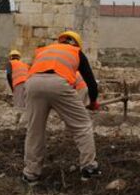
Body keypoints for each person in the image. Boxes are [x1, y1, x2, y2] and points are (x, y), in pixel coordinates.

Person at [21, 31, 100, 185]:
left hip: (32, 84)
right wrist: (93, 102)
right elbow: (91, 83)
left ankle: (31, 173)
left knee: (34, 130)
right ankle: (89, 168)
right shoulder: (76, 52)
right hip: (58, 83)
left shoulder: (43, 50)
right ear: (76, 44)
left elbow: (35, 70)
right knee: (82, 126)